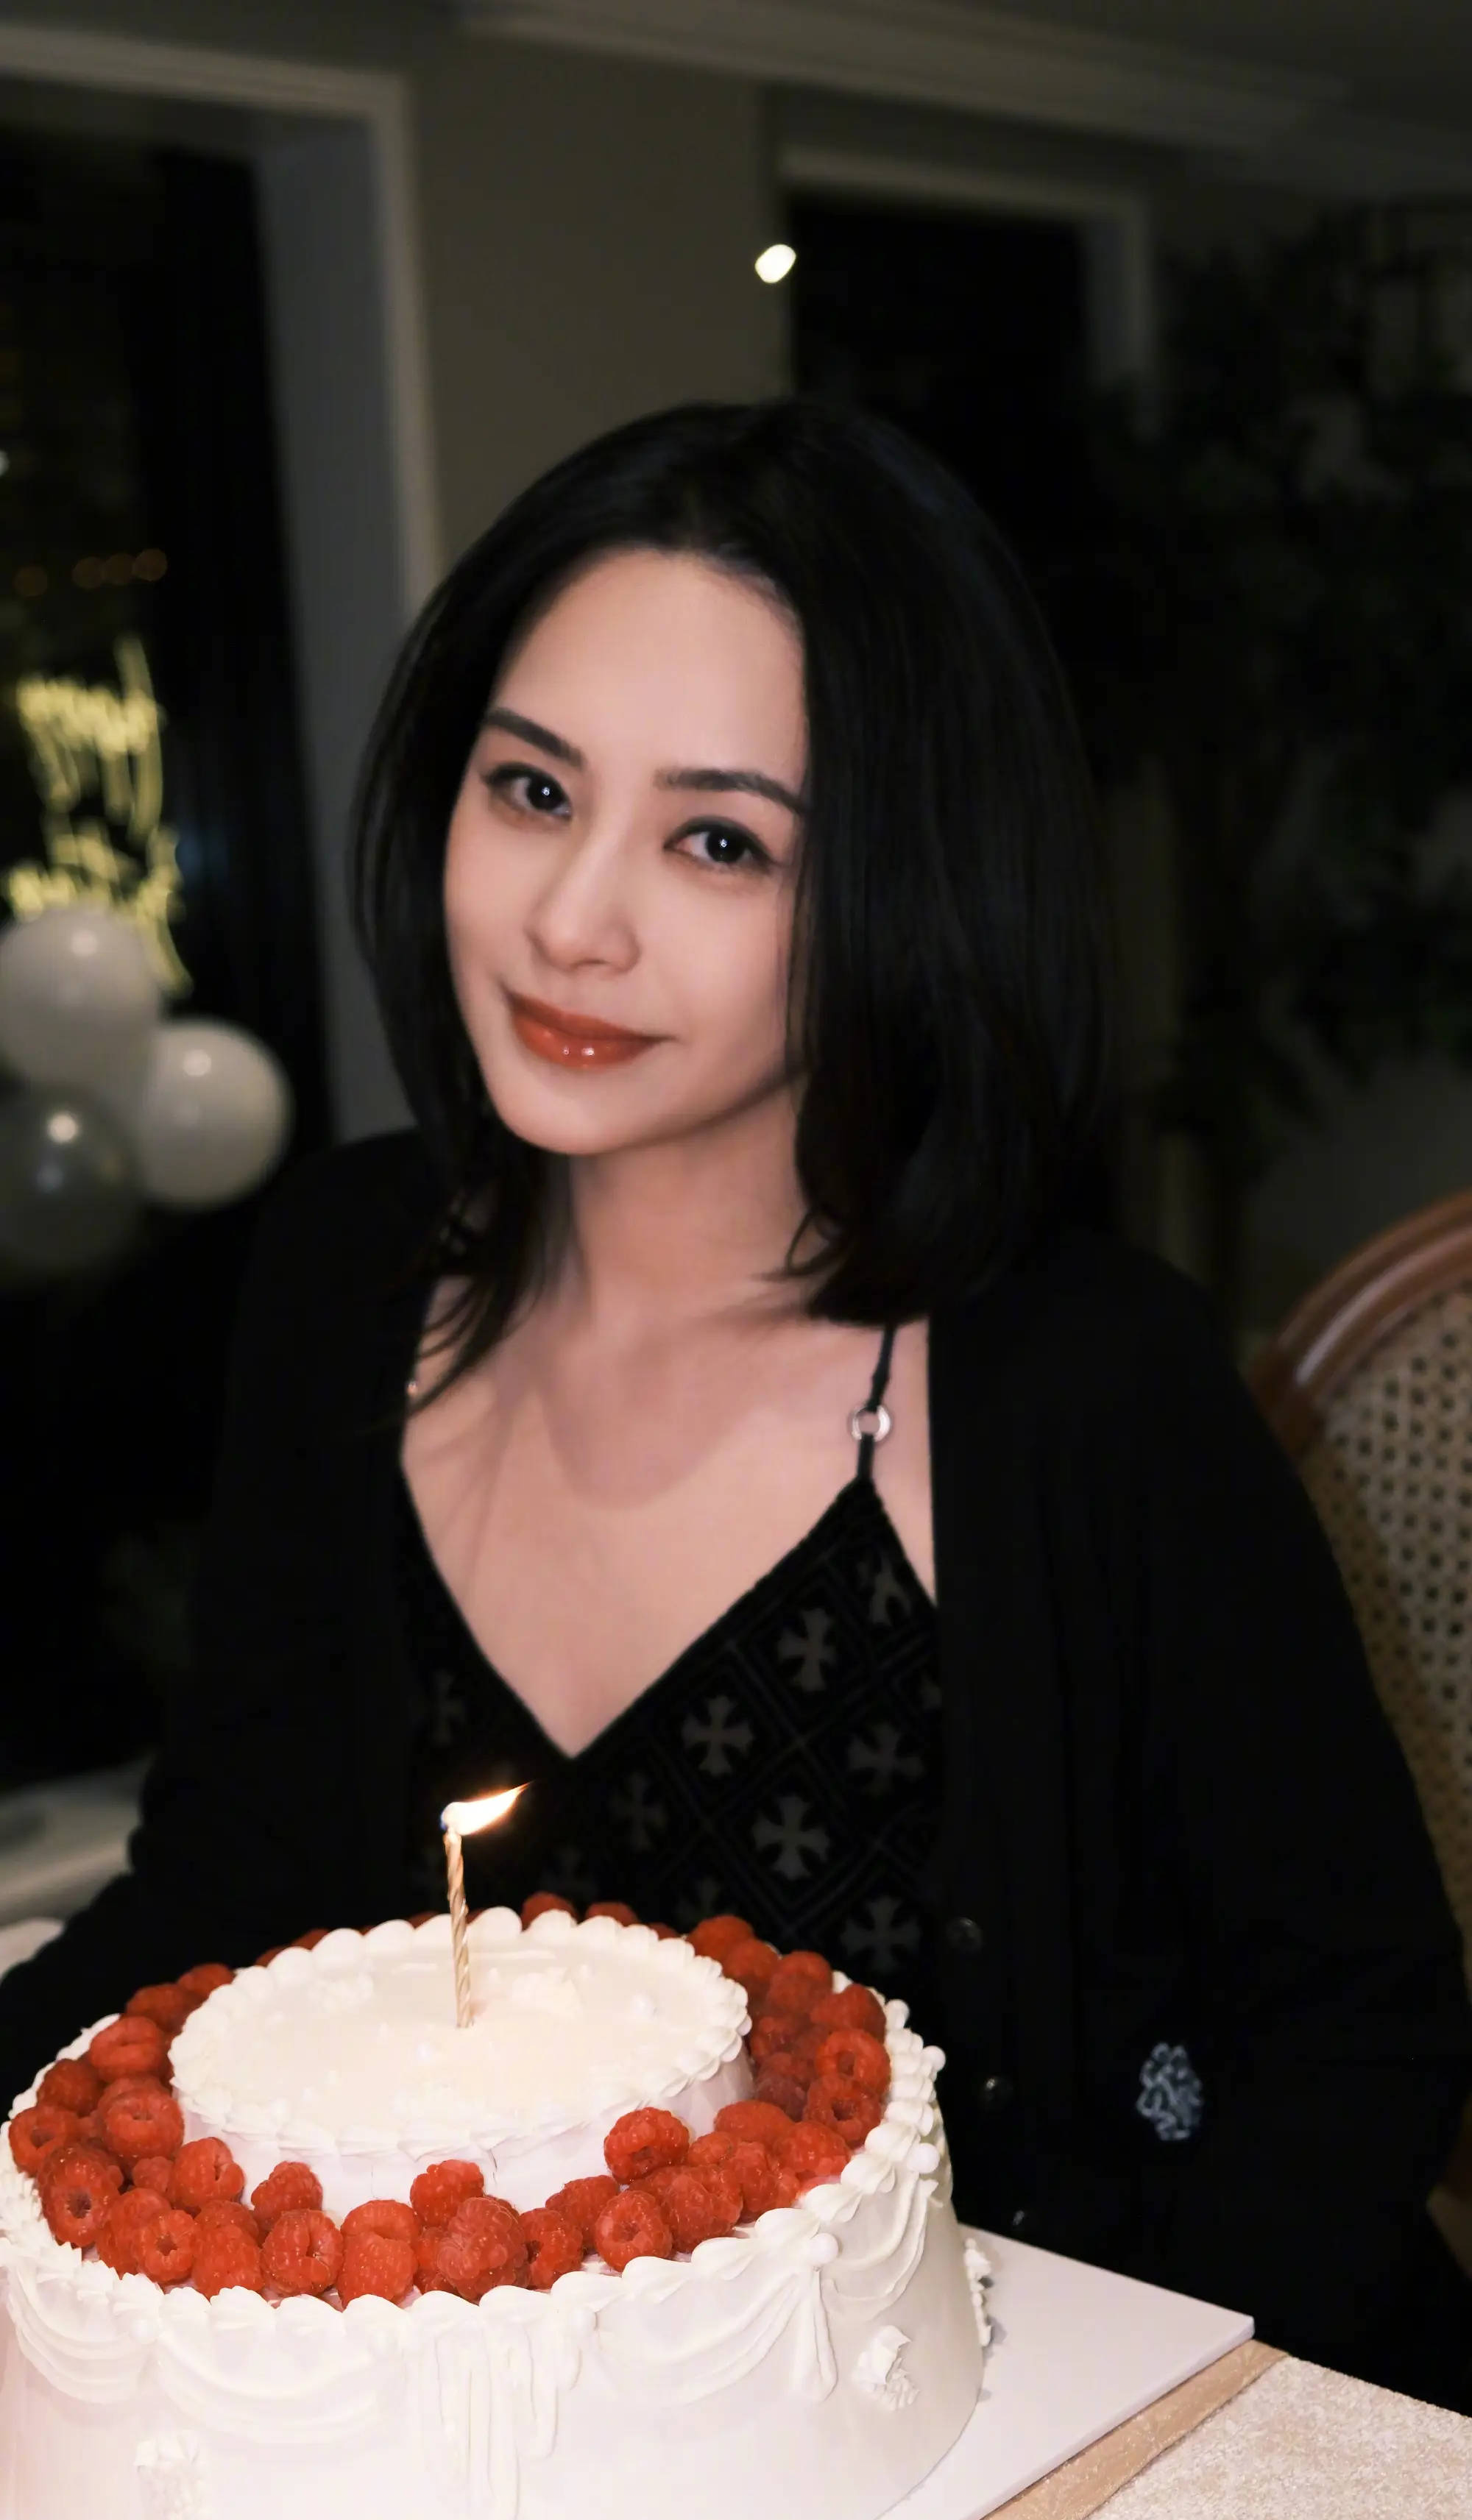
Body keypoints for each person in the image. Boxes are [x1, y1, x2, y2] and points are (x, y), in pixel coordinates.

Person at [1, 399, 1468, 2402]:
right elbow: (226, 1889)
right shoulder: (345, 1272)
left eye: (718, 840)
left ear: (900, 893)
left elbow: (1357, 2043)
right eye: (532, 789)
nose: (572, 918)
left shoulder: (1087, 1386)